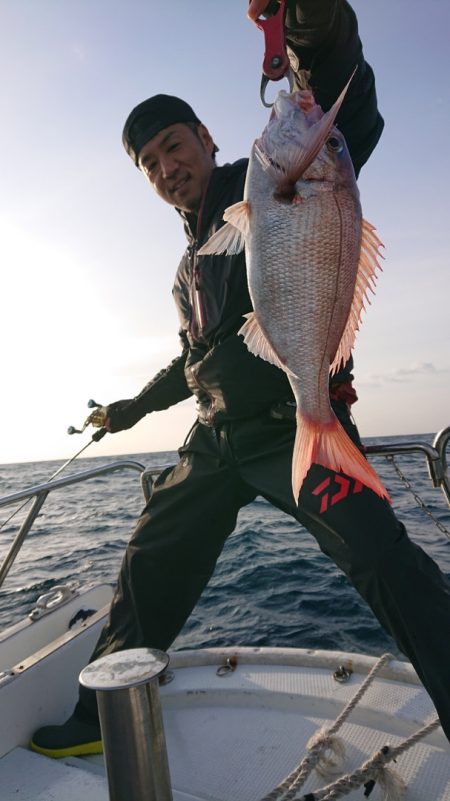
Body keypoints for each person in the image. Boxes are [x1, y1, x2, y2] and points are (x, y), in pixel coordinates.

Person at [31, 0, 450, 758]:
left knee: (386, 561)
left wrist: (312, 24)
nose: (167, 168)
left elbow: (345, 109)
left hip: (298, 421)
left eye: (173, 145)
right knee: (150, 556)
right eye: (150, 164)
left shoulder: (264, 184)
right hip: (217, 439)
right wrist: (128, 410)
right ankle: (99, 722)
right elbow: (194, 361)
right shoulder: (189, 265)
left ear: (207, 138)